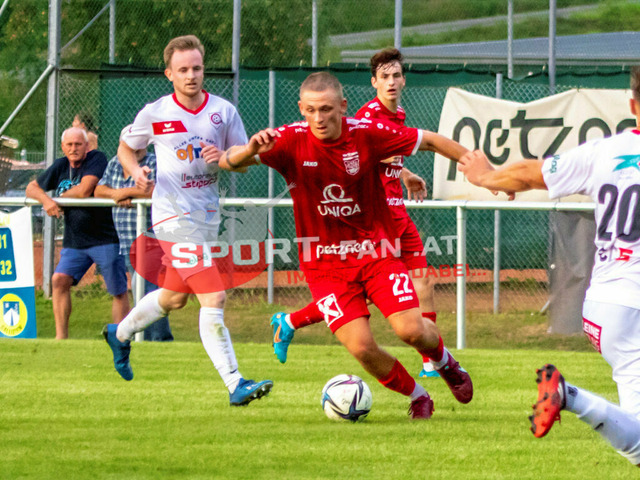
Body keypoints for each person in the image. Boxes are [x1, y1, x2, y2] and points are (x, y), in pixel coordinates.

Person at [218, 71, 473, 419]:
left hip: (376, 253)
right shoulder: (288, 140)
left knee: (411, 330)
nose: (318, 118)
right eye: (311, 110)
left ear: (342, 106)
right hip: (324, 267)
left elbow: (429, 140)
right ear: (301, 108)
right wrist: (249, 149)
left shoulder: (366, 133)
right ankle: (418, 396)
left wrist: (480, 169)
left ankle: (445, 363)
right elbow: (228, 161)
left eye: (326, 109)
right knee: (362, 347)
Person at [456, 67, 640, 465]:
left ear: (632, 104)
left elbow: (530, 172)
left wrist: (486, 176)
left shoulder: (605, 152)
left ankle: (570, 397)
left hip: (605, 304)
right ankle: (568, 396)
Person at [101, 35, 272, 407]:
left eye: (196, 68)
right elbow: (126, 148)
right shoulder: (156, 113)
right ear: (169, 74)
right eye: (183, 70)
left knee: (175, 297)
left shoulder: (223, 111)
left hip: (207, 216)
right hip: (171, 216)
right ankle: (235, 383)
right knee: (214, 294)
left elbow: (244, 162)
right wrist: (135, 172)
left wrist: (224, 157)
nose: (191, 75)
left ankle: (120, 333)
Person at [269, 48, 441, 378]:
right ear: (374, 82)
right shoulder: (366, 117)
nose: (391, 82)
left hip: (398, 212)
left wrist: (405, 174)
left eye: (396, 75)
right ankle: (290, 321)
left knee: (422, 280)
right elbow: (359, 158)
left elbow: (382, 157)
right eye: (384, 77)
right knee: (368, 290)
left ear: (404, 79)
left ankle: (430, 361)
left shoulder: (398, 113)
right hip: (375, 220)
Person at [25, 127, 129, 339]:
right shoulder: (60, 165)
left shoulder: (96, 159)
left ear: (86, 146)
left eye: (78, 144)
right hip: (75, 241)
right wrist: (47, 201)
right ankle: (61, 339)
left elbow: (84, 190)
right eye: (69, 145)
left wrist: (59, 199)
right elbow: (31, 188)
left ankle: (120, 338)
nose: (74, 148)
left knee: (117, 290)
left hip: (104, 238)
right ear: (63, 147)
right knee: (59, 280)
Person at [94, 131, 173, 342]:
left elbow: (155, 190)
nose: (136, 147)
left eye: (140, 143)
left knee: (149, 290)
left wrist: (124, 192)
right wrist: (117, 194)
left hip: (151, 239)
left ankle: (159, 339)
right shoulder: (115, 163)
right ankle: (149, 338)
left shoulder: (154, 162)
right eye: (131, 143)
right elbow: (99, 190)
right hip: (126, 240)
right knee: (142, 289)